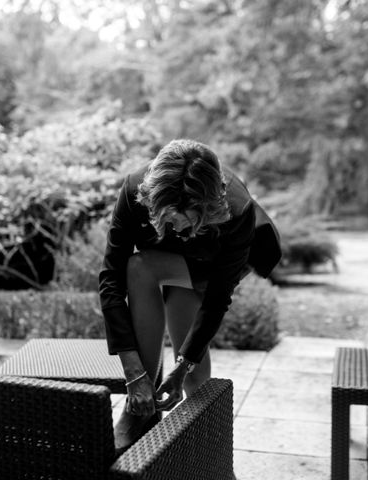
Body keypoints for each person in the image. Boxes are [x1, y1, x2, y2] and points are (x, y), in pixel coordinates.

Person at [98, 139, 257, 455]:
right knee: (137, 266)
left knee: (191, 368)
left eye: (188, 215)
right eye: (171, 215)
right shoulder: (134, 191)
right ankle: (139, 409)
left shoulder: (238, 211)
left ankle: (208, 455)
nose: (179, 224)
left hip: (213, 265)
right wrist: (133, 372)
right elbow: (111, 278)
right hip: (164, 261)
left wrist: (183, 364)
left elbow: (217, 298)